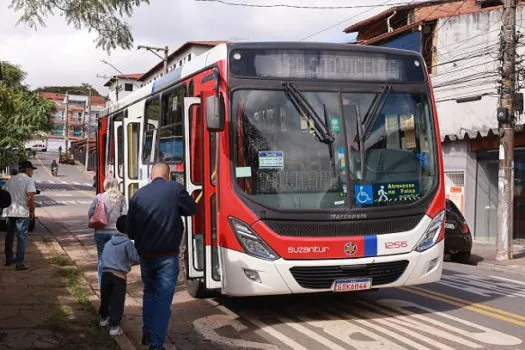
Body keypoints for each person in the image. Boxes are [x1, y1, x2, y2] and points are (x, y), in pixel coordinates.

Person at [127, 163, 197, 350]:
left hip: (146, 256)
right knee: (163, 300)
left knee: (149, 292)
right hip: (167, 255)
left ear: (151, 176)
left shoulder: (138, 195)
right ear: (169, 175)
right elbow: (192, 210)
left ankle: (148, 332)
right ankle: (156, 345)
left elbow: (130, 232)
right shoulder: (175, 189)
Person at [98, 221, 140, 337]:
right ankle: (114, 326)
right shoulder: (128, 243)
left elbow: (103, 257)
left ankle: (103, 319)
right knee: (117, 301)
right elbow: (135, 258)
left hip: (106, 274)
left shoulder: (109, 242)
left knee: (105, 298)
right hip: (119, 276)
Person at [88, 177, 127, 287]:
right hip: (116, 234)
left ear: (105, 185)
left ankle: (102, 285)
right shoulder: (121, 197)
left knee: (102, 259)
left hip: (101, 233)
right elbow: (125, 214)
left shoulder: (99, 197)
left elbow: (90, 212)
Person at [3, 161, 37, 270]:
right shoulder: (29, 180)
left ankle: (8, 259)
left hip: (10, 211)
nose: (32, 172)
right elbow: (31, 197)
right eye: (31, 170)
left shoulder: (11, 180)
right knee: (21, 237)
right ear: (27, 170)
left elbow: (4, 194)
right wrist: (32, 211)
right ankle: (19, 263)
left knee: (9, 236)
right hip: (22, 212)